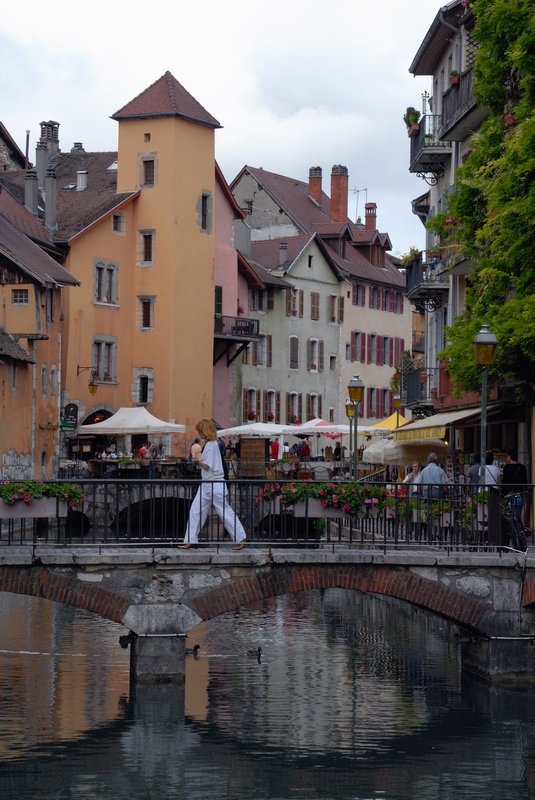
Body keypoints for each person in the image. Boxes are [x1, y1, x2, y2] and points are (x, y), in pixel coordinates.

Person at [180, 419, 247, 550]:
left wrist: (197, 458)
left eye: (200, 431)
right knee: (214, 511)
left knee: (207, 511)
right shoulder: (212, 444)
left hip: (212, 483)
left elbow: (206, 466)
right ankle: (239, 538)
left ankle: (239, 537)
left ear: (204, 431)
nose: (199, 434)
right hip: (210, 483)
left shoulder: (210, 446)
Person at [501, 449, 528, 521]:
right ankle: (518, 527)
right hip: (520, 494)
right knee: (518, 515)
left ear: (510, 457)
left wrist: (502, 493)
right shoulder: (522, 467)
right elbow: (525, 481)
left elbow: (504, 482)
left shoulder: (506, 467)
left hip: (508, 494)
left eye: (507, 456)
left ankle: (512, 528)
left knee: (509, 515)